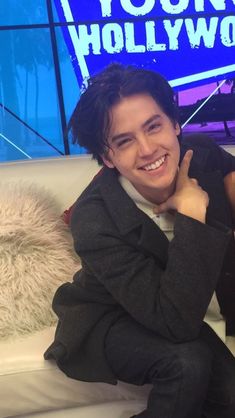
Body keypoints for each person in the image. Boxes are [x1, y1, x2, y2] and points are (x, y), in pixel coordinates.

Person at [45, 63, 235, 418]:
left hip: (182, 304)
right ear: (108, 157)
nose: (147, 149)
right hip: (111, 315)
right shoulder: (96, 218)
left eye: (154, 126)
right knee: (188, 363)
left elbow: (227, 170)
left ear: (175, 123)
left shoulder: (199, 153)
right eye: (124, 141)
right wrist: (193, 209)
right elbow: (176, 323)